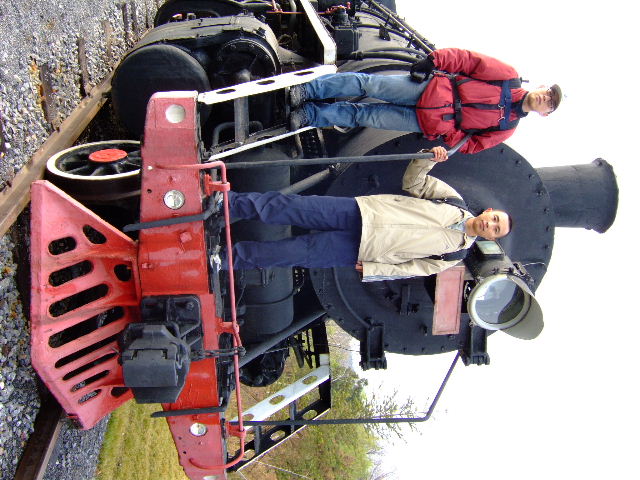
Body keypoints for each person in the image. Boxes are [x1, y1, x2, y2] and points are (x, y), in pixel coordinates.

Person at [221, 147, 512, 281]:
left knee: (290, 253)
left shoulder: (453, 256)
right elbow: (414, 183)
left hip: (361, 249)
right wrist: (427, 159)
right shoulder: (451, 199)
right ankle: (227, 204)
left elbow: (411, 269)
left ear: (491, 237)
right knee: (290, 207)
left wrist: (373, 270)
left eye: (495, 229)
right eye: (495, 219)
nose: (491, 224)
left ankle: (226, 259)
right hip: (362, 212)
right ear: (488, 212)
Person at [288, 48, 561, 155]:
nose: (544, 98)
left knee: (363, 116)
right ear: (541, 87)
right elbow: (468, 60)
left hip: (424, 122)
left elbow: (471, 145)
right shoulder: (508, 77)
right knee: (368, 84)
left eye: (549, 103)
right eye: (547, 93)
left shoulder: (506, 128)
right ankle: (309, 90)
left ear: (545, 114)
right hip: (428, 89)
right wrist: (433, 61)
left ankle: (311, 115)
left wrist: (449, 132)